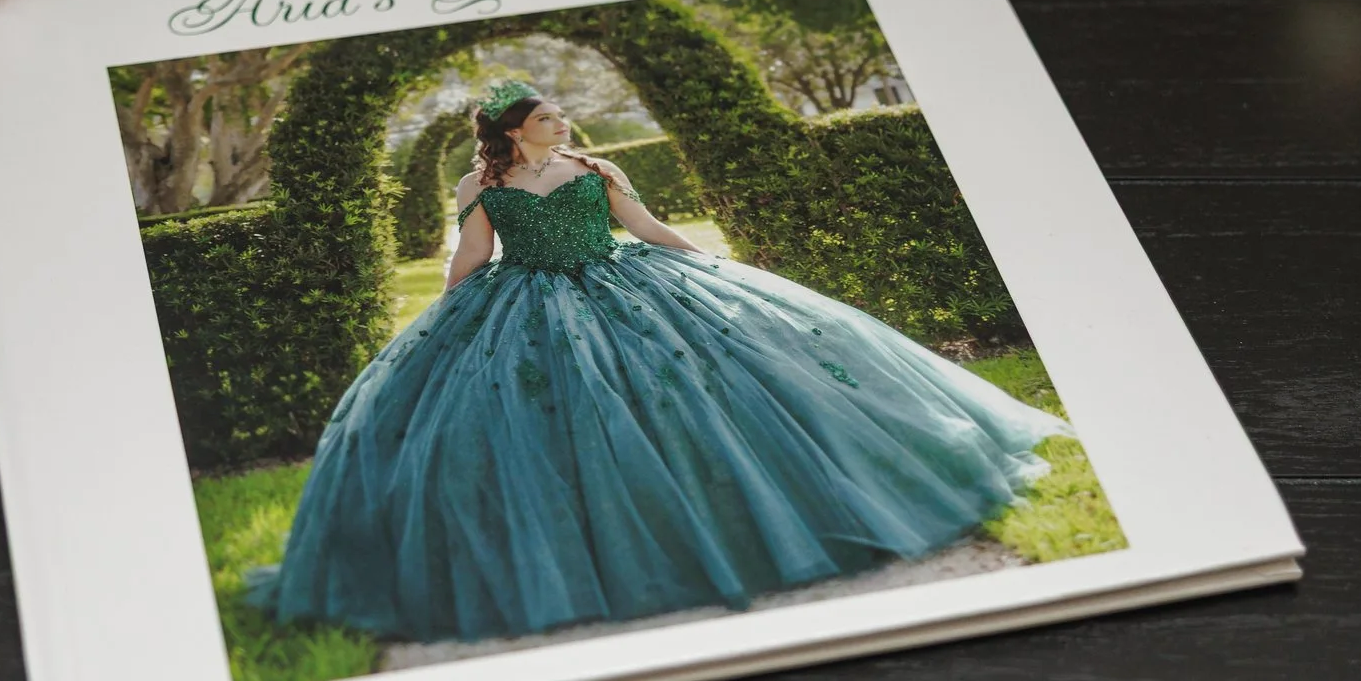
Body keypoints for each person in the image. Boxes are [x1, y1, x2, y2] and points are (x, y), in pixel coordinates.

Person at [262, 78, 1068, 644]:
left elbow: (646, 229)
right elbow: (471, 254)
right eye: (549, 116)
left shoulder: (595, 169)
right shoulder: (480, 183)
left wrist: (709, 266)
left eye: (562, 115)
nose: (563, 122)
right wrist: (446, 312)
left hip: (621, 284)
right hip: (524, 300)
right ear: (515, 128)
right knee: (545, 411)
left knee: (685, 394)